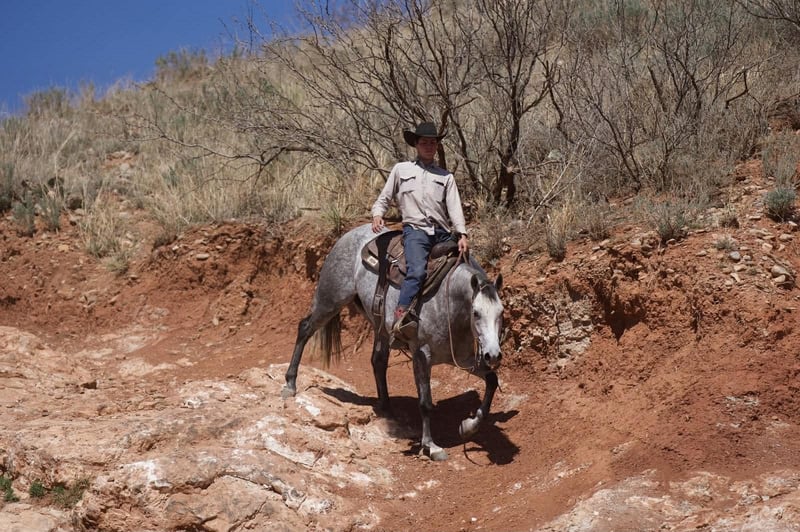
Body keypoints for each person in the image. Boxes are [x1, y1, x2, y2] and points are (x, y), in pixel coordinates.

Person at [371, 121, 469, 338]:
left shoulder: (446, 177)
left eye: (432, 143)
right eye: (424, 142)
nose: (429, 146)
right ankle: (401, 315)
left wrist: (462, 234)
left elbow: (454, 207)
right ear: (416, 144)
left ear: (437, 146)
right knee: (416, 271)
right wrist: (378, 213)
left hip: (442, 232)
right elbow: (384, 197)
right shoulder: (401, 169)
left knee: (468, 267)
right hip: (416, 231)